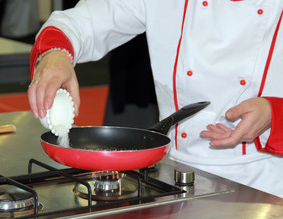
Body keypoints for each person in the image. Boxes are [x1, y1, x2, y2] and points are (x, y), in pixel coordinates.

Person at [27, 0, 283, 198]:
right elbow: (87, 20)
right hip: (173, 175)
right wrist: (55, 54)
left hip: (264, 184)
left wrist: (275, 113)